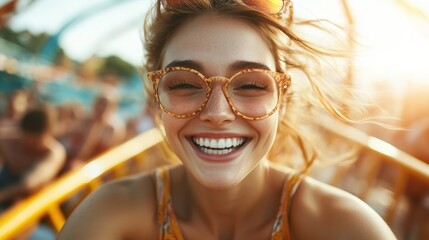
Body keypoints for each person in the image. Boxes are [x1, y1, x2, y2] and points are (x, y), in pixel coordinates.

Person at [58, 0, 397, 239]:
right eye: (185, 83)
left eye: (251, 84)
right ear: (156, 100)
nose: (218, 113)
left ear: (283, 99)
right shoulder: (107, 215)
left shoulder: (346, 227)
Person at [0, 106, 66, 239]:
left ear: (48, 133)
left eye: (35, 141)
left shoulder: (53, 153)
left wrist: (2, 195)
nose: (28, 145)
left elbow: (31, 183)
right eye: (25, 138)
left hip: (28, 203)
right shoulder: (7, 140)